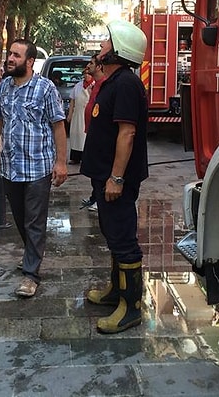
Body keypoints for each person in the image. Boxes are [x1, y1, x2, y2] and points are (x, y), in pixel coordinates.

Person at [0, 38, 68, 298]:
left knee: (34, 220)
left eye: (16, 56)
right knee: (20, 218)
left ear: (30, 61)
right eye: (10, 54)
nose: (10, 59)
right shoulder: (4, 87)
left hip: (38, 167)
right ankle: (32, 252)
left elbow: (58, 126)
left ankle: (31, 274)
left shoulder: (45, 88)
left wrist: (61, 162)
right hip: (11, 167)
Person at [80, 20, 149, 334]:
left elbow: (127, 133)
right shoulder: (114, 81)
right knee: (113, 236)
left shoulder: (125, 84)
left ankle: (131, 308)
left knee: (124, 240)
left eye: (107, 42)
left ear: (120, 49)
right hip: (104, 176)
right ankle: (116, 292)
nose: (102, 46)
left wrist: (116, 179)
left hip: (116, 180)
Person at [80, 54, 106, 211]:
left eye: (91, 63)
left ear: (99, 67)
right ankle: (95, 196)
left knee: (98, 170)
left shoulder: (104, 84)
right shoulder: (96, 84)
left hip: (99, 134)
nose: (88, 65)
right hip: (91, 131)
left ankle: (99, 199)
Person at [67, 69, 93, 165]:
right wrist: (70, 114)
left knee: (85, 136)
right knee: (75, 135)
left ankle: (86, 158)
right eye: (85, 74)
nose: (86, 76)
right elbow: (72, 100)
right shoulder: (78, 85)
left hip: (87, 113)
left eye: (88, 74)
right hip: (77, 114)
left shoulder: (94, 85)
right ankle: (75, 157)